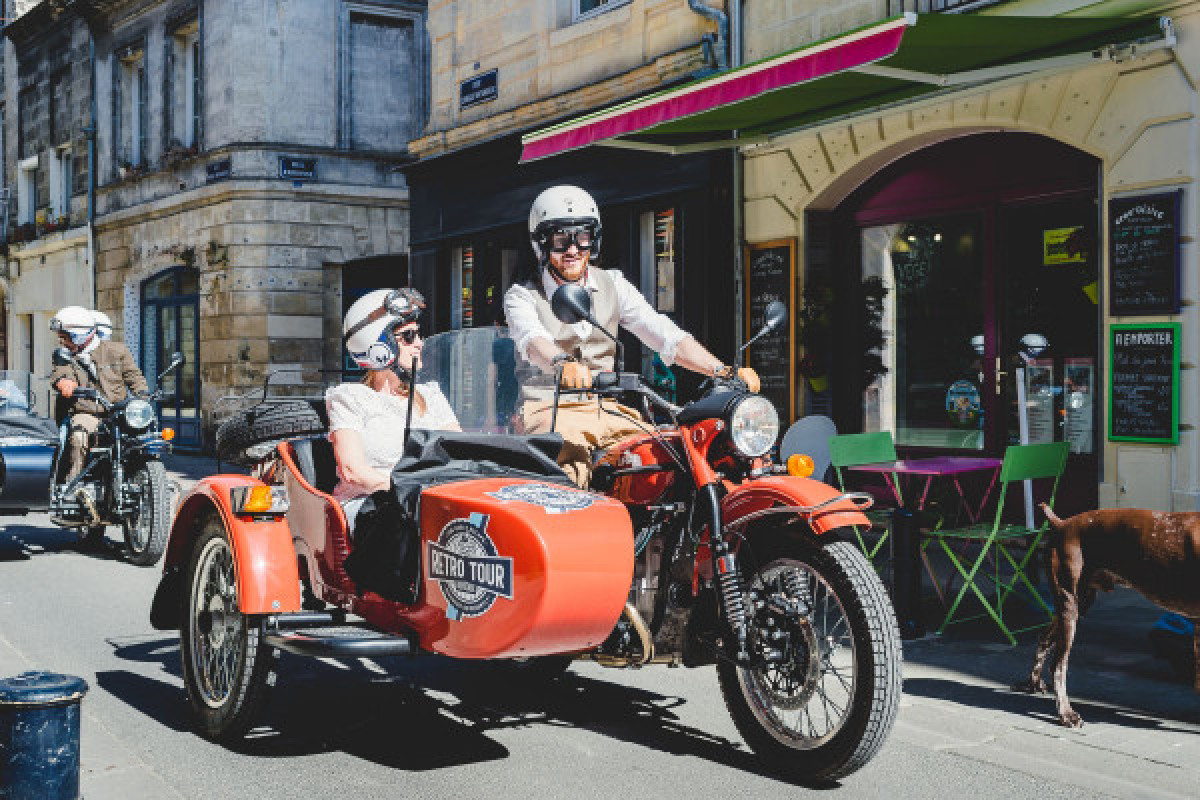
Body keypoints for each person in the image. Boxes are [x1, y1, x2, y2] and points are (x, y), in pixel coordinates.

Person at [504, 185, 759, 487]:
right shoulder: (522, 296)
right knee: (569, 472)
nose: (572, 250)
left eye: (581, 237)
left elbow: (663, 334)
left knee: (665, 458)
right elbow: (532, 342)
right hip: (549, 409)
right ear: (542, 244)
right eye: (560, 240)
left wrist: (722, 371)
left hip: (608, 407)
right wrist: (561, 363)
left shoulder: (613, 283)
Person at [327, 288, 459, 528]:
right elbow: (352, 470)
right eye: (408, 337)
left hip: (430, 503)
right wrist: (413, 490)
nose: (419, 344)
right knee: (402, 524)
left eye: (419, 335)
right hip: (373, 504)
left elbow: (460, 452)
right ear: (377, 344)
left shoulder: (430, 395)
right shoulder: (350, 397)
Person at [49, 305, 149, 520]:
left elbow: (134, 376)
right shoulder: (64, 356)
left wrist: (142, 395)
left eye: (65, 337)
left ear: (79, 335)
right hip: (87, 412)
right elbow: (60, 374)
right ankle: (73, 487)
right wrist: (65, 383)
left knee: (146, 437)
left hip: (117, 412)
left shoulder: (117, 351)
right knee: (79, 434)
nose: (62, 341)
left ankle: (147, 482)